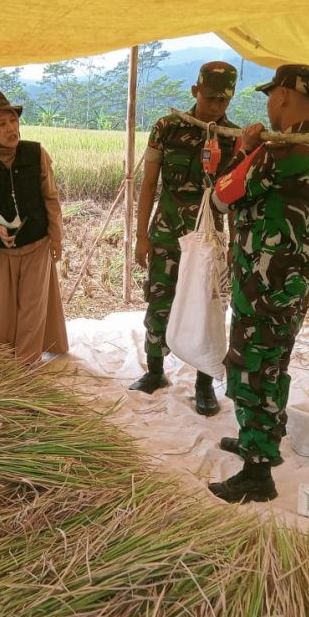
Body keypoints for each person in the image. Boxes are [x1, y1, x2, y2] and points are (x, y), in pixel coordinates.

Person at [208, 64, 309, 503]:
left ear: (283, 95)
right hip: (294, 280)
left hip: (262, 284)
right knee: (273, 364)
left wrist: (243, 150)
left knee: (251, 368)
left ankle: (257, 473)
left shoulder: (280, 152)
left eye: (270, 95)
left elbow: (221, 195)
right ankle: (260, 440)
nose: (268, 104)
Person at [130, 61, 240, 417]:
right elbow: (149, 184)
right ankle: (155, 371)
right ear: (195, 91)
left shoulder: (233, 138)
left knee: (207, 309)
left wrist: (234, 244)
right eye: (210, 98)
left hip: (208, 239)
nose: (216, 106)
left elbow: (234, 198)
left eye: (223, 101)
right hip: (167, 233)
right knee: (158, 299)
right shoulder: (167, 128)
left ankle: (204, 384)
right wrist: (142, 236)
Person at [0, 90, 69, 365]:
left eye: (13, 120)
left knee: (33, 310)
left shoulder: (36, 154)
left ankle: (27, 366)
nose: (11, 128)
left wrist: (56, 239)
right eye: (1, 124)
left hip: (37, 246)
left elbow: (51, 199)